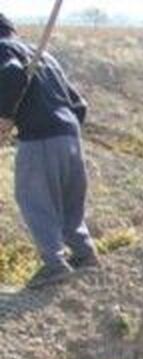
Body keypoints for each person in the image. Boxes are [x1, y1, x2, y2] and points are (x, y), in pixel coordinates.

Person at [0, 14, 99, 288]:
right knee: (68, 203)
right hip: (70, 135)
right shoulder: (42, 55)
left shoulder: (3, 50)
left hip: (39, 137)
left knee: (34, 199)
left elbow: (12, 74)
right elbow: (79, 104)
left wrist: (4, 116)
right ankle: (83, 253)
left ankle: (54, 264)